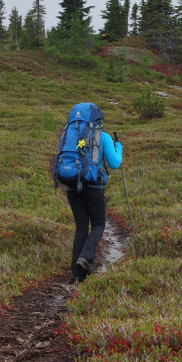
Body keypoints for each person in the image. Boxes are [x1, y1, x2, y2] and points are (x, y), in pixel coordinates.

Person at [58, 107, 123, 283]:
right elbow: (115, 163)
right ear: (99, 120)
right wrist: (119, 147)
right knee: (99, 224)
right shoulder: (103, 137)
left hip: (72, 185)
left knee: (81, 226)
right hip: (93, 186)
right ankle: (85, 257)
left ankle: (77, 273)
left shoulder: (68, 135)